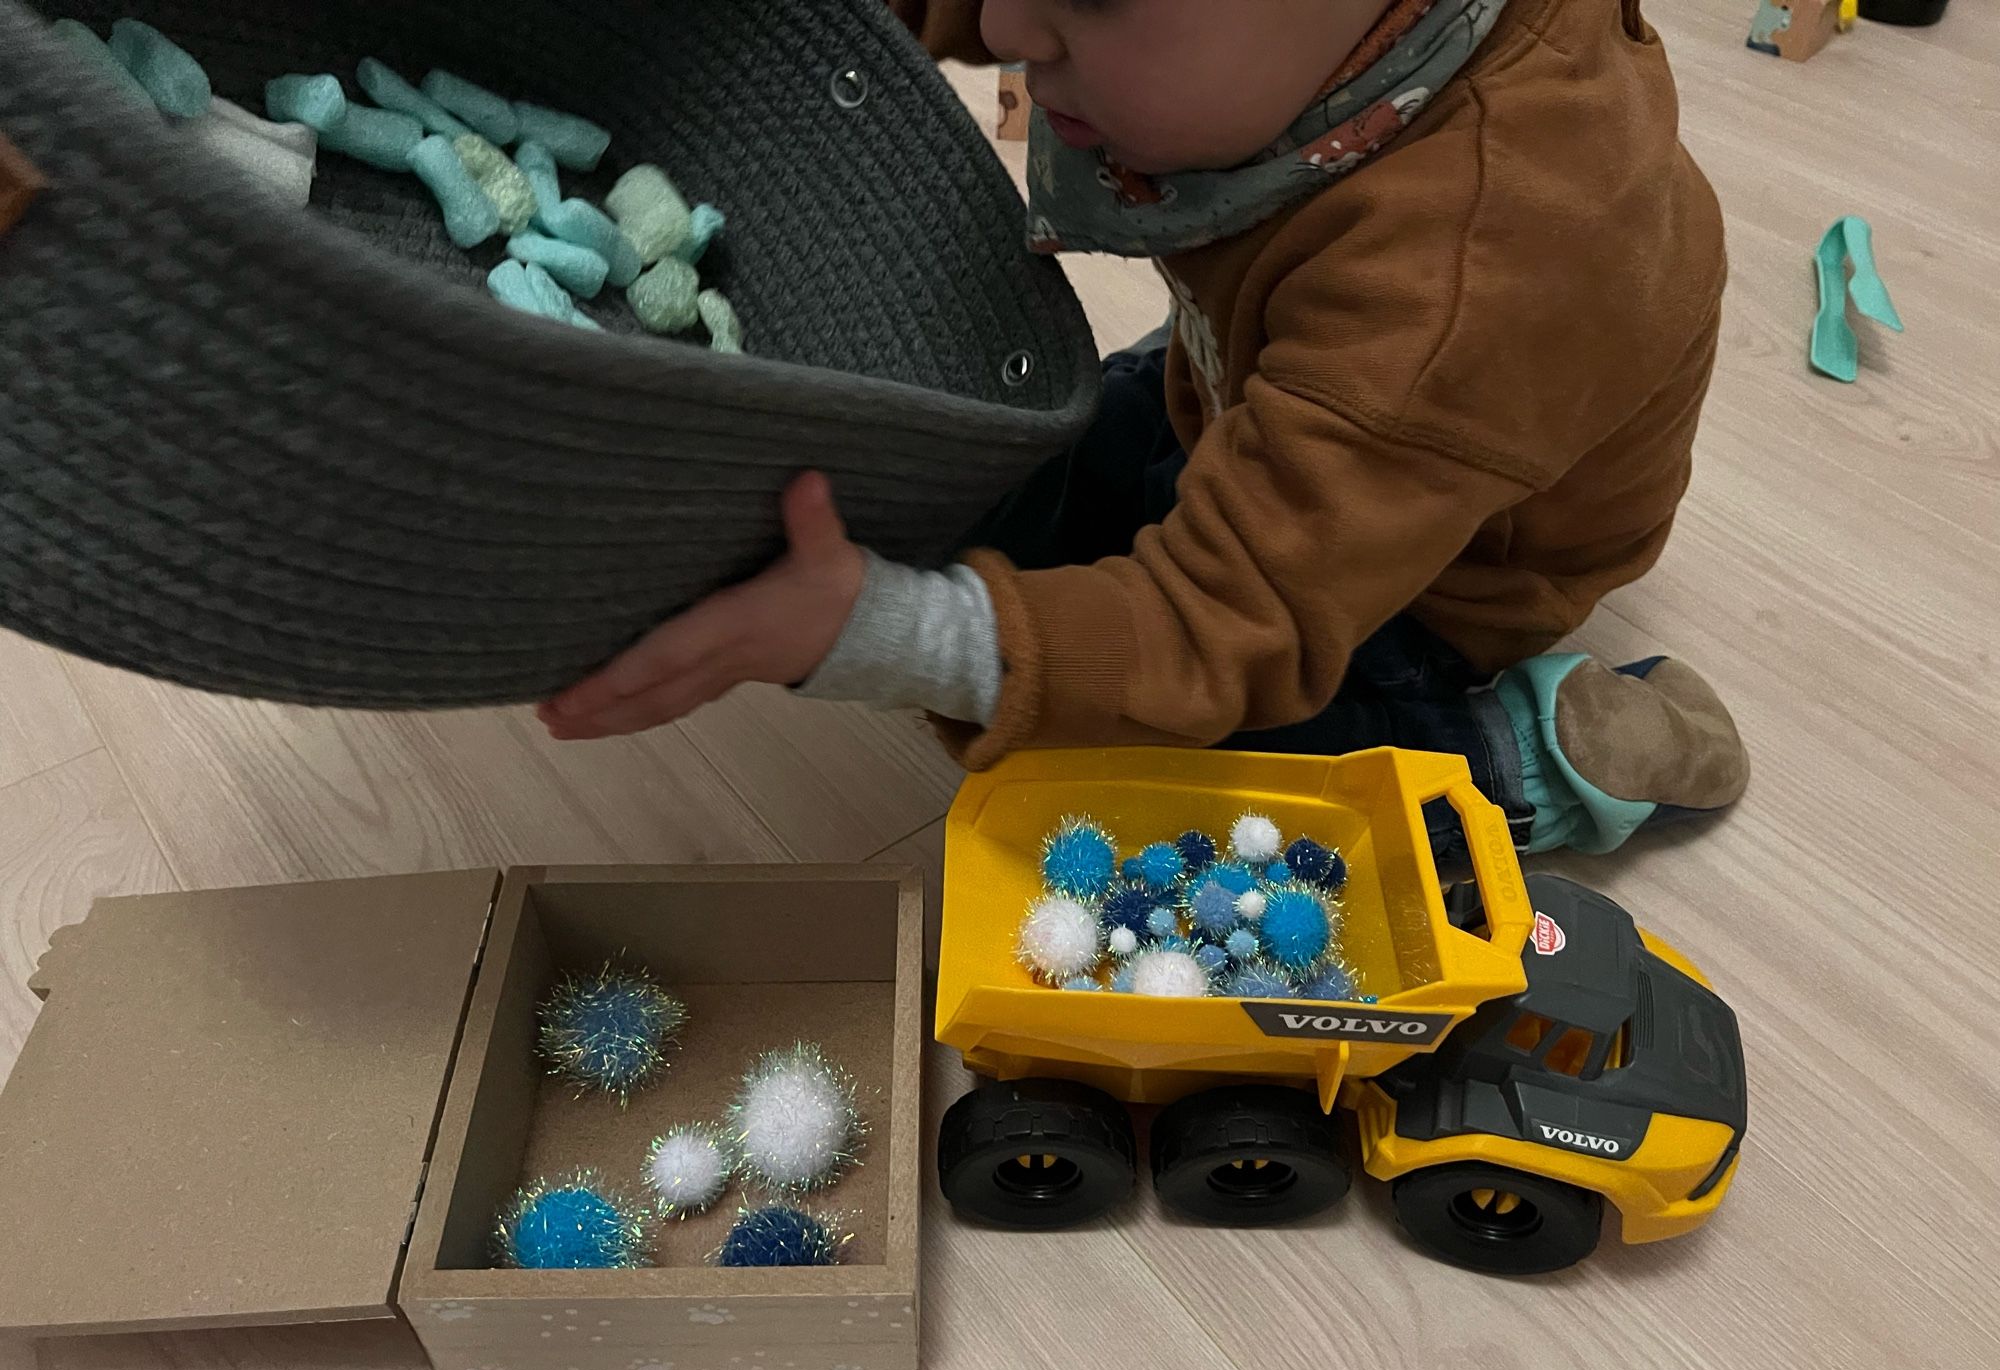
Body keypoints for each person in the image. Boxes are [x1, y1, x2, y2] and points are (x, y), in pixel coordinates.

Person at [538, 0, 1750, 866]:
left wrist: (876, 633)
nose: (1007, 32)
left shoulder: (1480, 269)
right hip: (1254, 403)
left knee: (1176, 797)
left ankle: (1525, 759)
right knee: (995, 462)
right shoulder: (1292, 44)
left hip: (1410, 588)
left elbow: (1219, 630)